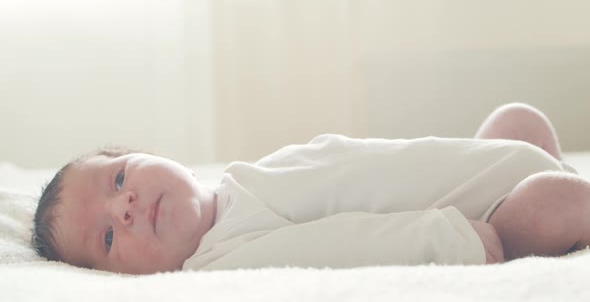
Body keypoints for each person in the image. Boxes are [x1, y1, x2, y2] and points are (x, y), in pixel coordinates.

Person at [31, 103, 590, 274]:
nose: (124, 207)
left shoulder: (238, 181)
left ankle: (551, 179)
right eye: (106, 238)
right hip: (481, 219)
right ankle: (561, 218)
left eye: (120, 177)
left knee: (517, 121)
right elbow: (345, 244)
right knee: (555, 201)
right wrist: (455, 243)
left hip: (476, 172)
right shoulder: (223, 259)